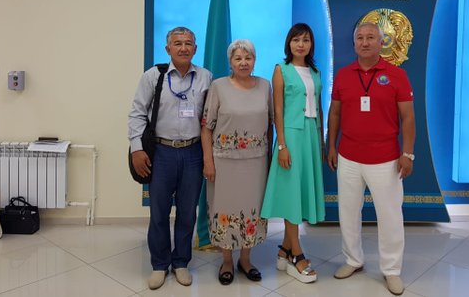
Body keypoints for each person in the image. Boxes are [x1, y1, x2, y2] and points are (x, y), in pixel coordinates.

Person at [327, 22, 415, 296]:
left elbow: (408, 117)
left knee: (389, 216)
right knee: (348, 212)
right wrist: (331, 146)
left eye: (370, 37)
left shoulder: (397, 75)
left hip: (385, 159)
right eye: (360, 38)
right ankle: (353, 259)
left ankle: (391, 270)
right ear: (354, 43)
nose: (365, 42)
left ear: (381, 42)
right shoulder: (343, 75)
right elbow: (335, 113)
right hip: (349, 156)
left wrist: (407, 153)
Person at [128, 27, 212, 290]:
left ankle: (181, 262)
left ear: (195, 48)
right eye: (177, 43)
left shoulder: (206, 77)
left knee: (187, 212)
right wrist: (136, 148)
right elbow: (137, 113)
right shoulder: (154, 76)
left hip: (193, 152)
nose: (183, 48)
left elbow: (210, 119)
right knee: (159, 212)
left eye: (188, 43)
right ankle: (159, 264)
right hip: (161, 152)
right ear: (168, 49)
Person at [201, 39, 273, 285]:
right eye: (238, 58)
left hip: (256, 162)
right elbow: (206, 128)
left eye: (248, 58)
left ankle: (245, 259)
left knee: (251, 209)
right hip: (224, 163)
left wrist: (270, 159)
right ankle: (227, 261)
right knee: (225, 210)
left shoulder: (265, 86)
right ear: (230, 62)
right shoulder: (218, 86)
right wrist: (208, 161)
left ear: (254, 60)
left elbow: (270, 124)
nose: (243, 63)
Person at [261, 23, 325, 284]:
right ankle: (297, 254)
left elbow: (319, 107)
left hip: (310, 135)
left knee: (300, 192)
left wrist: (321, 142)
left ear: (311, 44)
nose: (301, 44)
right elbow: (277, 111)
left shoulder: (315, 71)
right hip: (291, 136)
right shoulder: (281, 70)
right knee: (291, 195)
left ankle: (284, 250)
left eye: (306, 40)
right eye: (296, 40)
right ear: (289, 43)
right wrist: (282, 146)